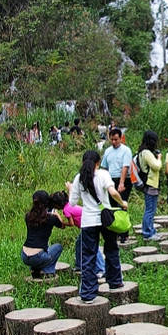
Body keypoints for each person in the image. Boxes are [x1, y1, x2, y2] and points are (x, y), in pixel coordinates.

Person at [69, 149, 128, 301]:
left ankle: (88, 293)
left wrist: (71, 190)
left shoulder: (78, 178)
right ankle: (115, 281)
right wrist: (123, 203)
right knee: (111, 249)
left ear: (83, 162)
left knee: (88, 256)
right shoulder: (103, 174)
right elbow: (113, 192)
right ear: (98, 162)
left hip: (88, 221)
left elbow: (72, 203)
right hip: (105, 219)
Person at [49, 189, 105, 278]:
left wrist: (62, 222)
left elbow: (71, 224)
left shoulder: (66, 211)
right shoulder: (70, 204)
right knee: (79, 244)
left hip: (89, 225)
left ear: (58, 205)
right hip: (90, 222)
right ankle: (79, 265)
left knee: (93, 247)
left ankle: (102, 269)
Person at [21, 190, 65, 279]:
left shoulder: (28, 216)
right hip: (38, 256)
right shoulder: (51, 218)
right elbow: (62, 225)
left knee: (45, 248)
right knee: (58, 247)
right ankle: (48, 270)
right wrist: (56, 214)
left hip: (24, 256)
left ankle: (35, 269)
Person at [101, 127, 133, 242]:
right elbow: (104, 167)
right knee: (111, 206)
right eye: (112, 140)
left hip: (123, 179)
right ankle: (114, 231)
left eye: (116, 139)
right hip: (110, 180)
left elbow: (125, 167)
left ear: (120, 138)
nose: (114, 142)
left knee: (122, 205)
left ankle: (124, 233)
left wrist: (122, 183)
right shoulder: (108, 151)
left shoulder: (126, 150)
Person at [137, 130, 163, 242]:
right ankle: (147, 233)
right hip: (150, 183)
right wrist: (159, 158)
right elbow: (156, 166)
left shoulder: (144, 152)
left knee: (151, 209)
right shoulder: (146, 153)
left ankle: (151, 231)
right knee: (150, 209)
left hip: (151, 183)